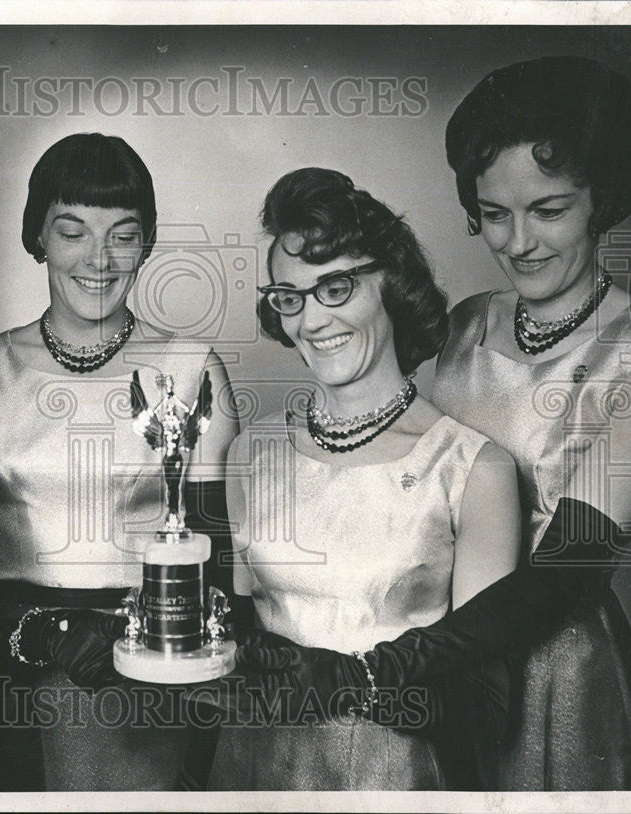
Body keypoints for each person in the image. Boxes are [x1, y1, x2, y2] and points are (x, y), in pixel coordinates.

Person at [200, 167, 521, 790]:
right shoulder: (249, 454)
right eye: (290, 297)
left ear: (391, 285)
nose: (311, 321)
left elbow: (485, 702)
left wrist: (349, 684)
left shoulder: (472, 469)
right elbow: (229, 636)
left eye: (337, 287)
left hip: (392, 779)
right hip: (249, 773)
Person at [0, 132, 240, 790]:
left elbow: (219, 569)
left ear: (148, 243)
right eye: (72, 230)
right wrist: (36, 636)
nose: (99, 259)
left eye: (123, 234)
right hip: (11, 668)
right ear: (37, 236)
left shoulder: (192, 369)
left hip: (147, 676)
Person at [433, 55, 631, 790]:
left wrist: (414, 659)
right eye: (495, 215)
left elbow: (570, 564)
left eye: (549, 210)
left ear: (605, 200)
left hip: (562, 681)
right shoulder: (462, 325)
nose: (519, 242)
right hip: (441, 665)